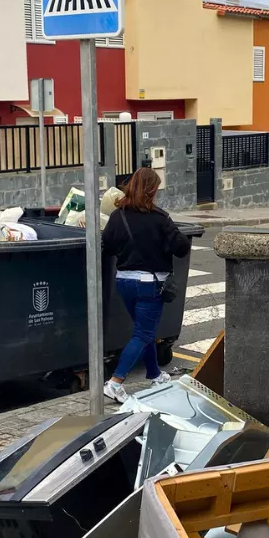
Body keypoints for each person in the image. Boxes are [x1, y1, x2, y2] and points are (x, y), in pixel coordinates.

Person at [101, 167, 191, 403]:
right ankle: (115, 382)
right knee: (143, 333)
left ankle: (154, 374)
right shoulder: (159, 218)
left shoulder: (116, 216)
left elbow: (107, 246)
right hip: (149, 284)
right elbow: (182, 248)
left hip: (123, 282)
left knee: (145, 330)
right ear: (151, 191)